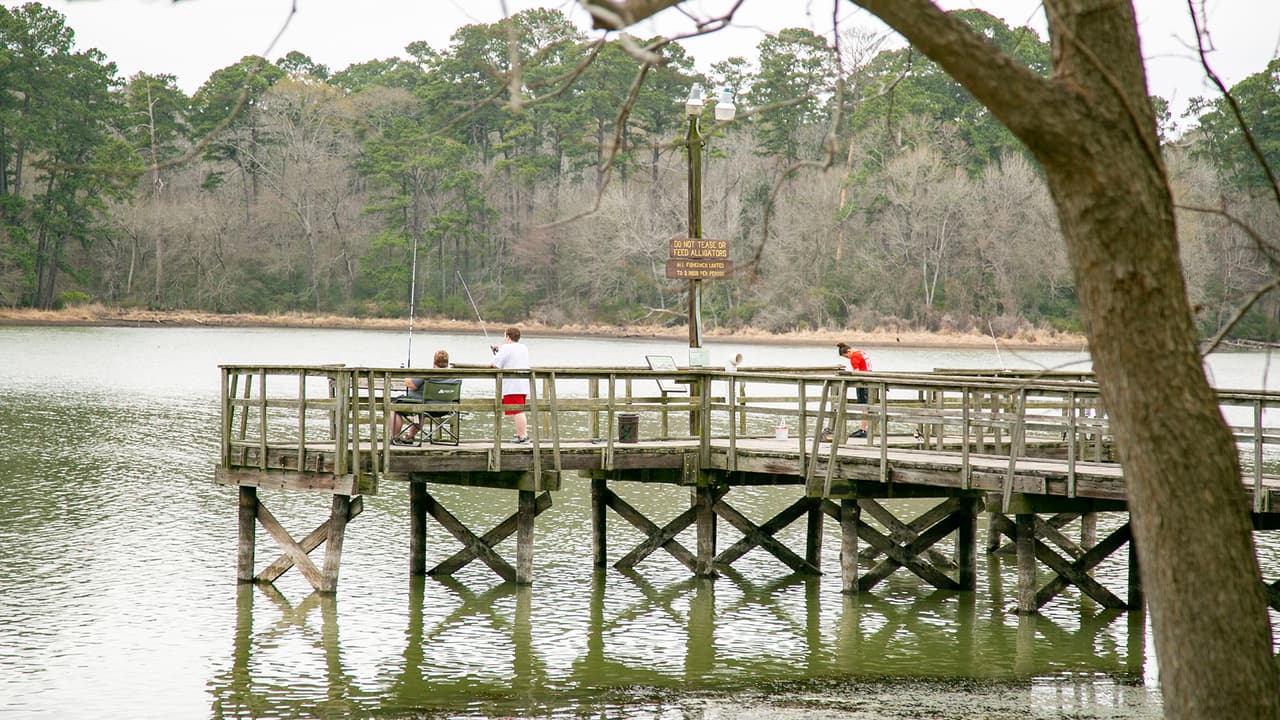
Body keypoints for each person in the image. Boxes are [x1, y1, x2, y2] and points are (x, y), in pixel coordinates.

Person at [391, 349, 450, 445]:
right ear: (447, 362)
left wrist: (407, 376)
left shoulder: (429, 373)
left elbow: (411, 385)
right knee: (420, 410)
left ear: (434, 361)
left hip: (425, 407)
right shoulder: (455, 375)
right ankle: (410, 437)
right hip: (445, 408)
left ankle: (395, 437)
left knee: (394, 407)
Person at [492, 327, 531, 443]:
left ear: (508, 337)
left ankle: (523, 436)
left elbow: (495, 364)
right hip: (522, 384)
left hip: (513, 385)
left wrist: (496, 355)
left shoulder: (506, 348)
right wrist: (498, 352)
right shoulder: (523, 347)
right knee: (518, 410)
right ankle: (522, 434)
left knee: (517, 411)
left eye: (505, 336)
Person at [837, 342, 870, 438]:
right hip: (869, 379)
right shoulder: (862, 352)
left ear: (848, 352)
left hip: (863, 382)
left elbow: (856, 373)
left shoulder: (854, 357)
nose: (848, 359)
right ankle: (864, 428)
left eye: (847, 357)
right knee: (866, 406)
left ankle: (863, 430)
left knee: (864, 406)